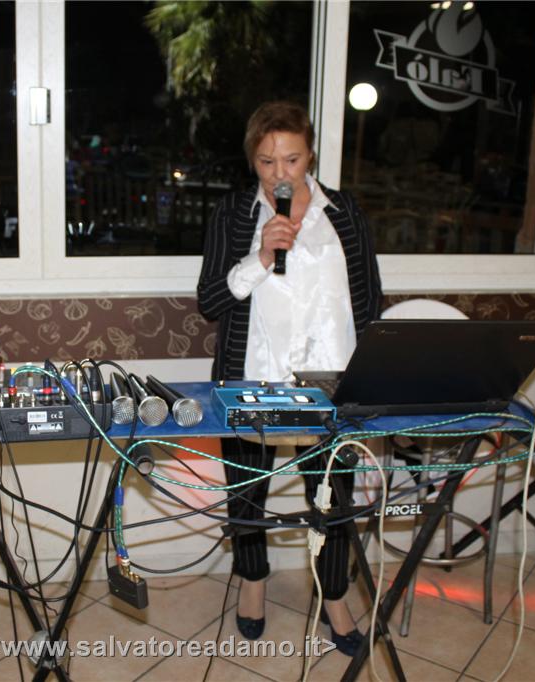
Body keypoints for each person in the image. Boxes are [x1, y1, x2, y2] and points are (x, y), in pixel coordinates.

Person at [196, 101, 382, 654]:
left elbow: (369, 298)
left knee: (333, 497)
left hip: (332, 383)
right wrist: (260, 256)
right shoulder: (234, 213)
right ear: (252, 161)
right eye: (266, 161)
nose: (280, 173)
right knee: (247, 493)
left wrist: (370, 373)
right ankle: (253, 583)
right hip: (254, 379)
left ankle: (334, 596)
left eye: (292, 159)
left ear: (311, 155)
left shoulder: (343, 211)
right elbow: (210, 299)